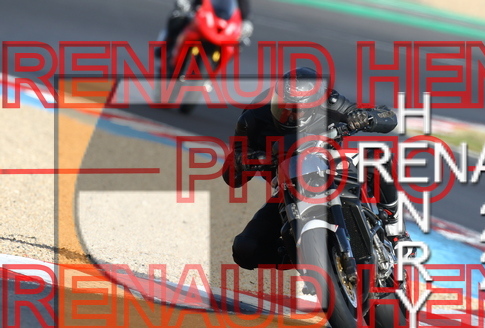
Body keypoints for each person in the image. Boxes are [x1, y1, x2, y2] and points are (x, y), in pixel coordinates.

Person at [223, 67, 412, 270]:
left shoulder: (331, 102)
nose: (287, 116)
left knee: (379, 157)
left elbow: (389, 117)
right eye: (282, 107)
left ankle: (395, 229)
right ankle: (305, 257)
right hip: (288, 190)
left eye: (296, 111)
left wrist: (366, 117)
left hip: (334, 167)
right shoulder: (253, 119)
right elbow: (231, 176)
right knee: (245, 249)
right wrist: (242, 162)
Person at [158, 0, 253, 58]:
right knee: (177, 18)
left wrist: (245, 21)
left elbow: (244, 6)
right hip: (198, 12)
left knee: (238, 42)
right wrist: (185, 3)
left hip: (219, 19)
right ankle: (165, 46)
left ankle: (212, 70)